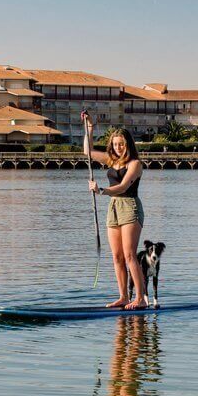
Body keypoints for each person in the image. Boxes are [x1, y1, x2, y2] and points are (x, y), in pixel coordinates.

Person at [83, 111, 147, 309]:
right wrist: (90, 127)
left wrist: (101, 190)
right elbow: (87, 150)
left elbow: (123, 187)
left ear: (127, 144)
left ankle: (140, 299)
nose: (118, 148)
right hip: (113, 209)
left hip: (129, 207)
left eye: (121, 144)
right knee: (117, 256)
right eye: (115, 144)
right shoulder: (112, 161)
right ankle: (123, 297)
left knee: (129, 255)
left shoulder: (135, 164)